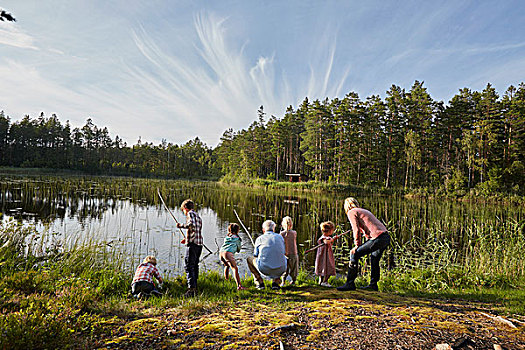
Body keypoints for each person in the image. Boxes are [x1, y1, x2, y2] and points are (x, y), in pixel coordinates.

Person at [337, 197, 390, 292]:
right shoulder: (363, 211)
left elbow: (356, 230)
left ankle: (350, 283)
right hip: (385, 237)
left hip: (378, 238)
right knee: (374, 259)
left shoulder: (351, 212)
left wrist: (357, 245)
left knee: (354, 253)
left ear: (346, 206)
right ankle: (373, 285)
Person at [246, 220, 287, 290]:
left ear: (263, 230)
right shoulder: (280, 237)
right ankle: (276, 282)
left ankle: (259, 282)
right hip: (281, 269)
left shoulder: (259, 239)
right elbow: (283, 252)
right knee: (282, 258)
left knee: (249, 259)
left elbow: (255, 254)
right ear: (273, 229)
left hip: (264, 269)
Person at [176, 199, 203, 297]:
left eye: (183, 210)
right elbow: (196, 229)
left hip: (193, 244)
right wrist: (186, 238)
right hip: (199, 244)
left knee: (188, 265)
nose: (183, 212)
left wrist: (181, 225)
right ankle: (195, 286)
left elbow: (191, 225)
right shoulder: (198, 216)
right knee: (194, 265)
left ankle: (191, 289)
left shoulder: (190, 214)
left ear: (185, 208)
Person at [219, 223, 245, 290]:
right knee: (234, 268)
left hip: (221, 253)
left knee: (227, 266)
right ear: (237, 230)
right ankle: (239, 286)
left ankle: (226, 280)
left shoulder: (227, 237)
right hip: (228, 253)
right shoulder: (237, 239)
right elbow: (238, 249)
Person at [315, 221, 336, 287]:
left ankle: (324, 281)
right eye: (332, 230)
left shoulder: (328, 237)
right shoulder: (323, 238)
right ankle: (323, 281)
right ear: (329, 231)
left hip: (327, 255)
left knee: (329, 267)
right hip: (323, 256)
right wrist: (332, 239)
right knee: (323, 267)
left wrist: (333, 239)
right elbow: (326, 242)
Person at [280, 216, 299, 286]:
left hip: (285, 253)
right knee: (294, 268)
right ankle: (293, 281)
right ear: (291, 225)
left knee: (285, 268)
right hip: (294, 253)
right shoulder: (294, 233)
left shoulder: (281, 234)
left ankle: (283, 282)